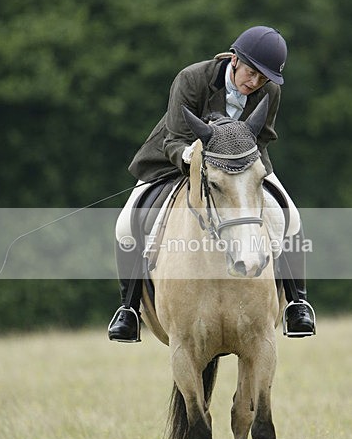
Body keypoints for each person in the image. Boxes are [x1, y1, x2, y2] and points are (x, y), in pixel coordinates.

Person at [108, 25, 316, 342]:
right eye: (251, 73)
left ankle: (297, 304)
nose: (255, 83)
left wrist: (241, 167)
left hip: (241, 168)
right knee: (126, 223)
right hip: (176, 160)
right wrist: (195, 159)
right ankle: (129, 309)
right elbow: (174, 138)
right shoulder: (192, 79)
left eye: (263, 78)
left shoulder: (270, 91)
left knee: (291, 217)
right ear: (234, 60)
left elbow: (263, 138)